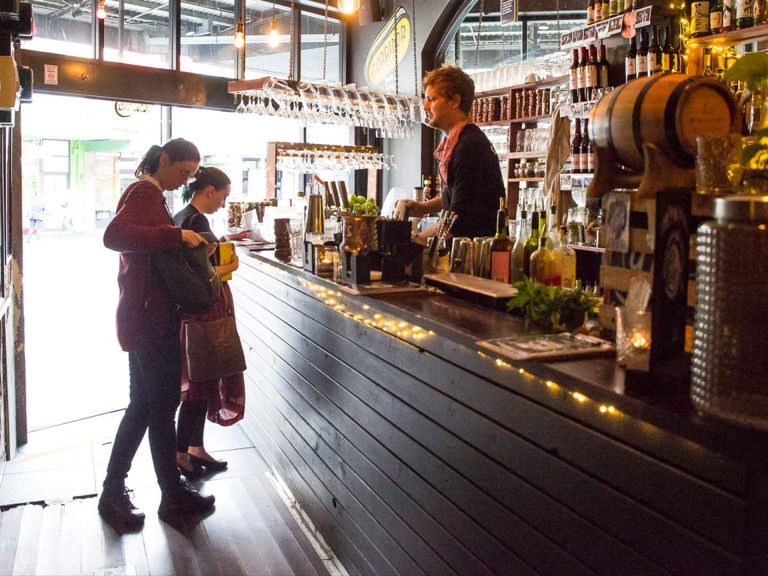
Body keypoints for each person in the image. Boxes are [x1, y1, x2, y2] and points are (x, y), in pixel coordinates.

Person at [98, 138, 216, 532]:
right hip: (148, 319)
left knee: (146, 407)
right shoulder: (144, 193)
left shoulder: (151, 195)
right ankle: (167, 495)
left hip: (143, 316)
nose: (184, 181)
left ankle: (123, 490)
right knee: (159, 407)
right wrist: (176, 236)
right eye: (182, 172)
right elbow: (113, 236)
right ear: (163, 160)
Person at [172, 166, 249, 479]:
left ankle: (194, 448)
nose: (223, 203)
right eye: (223, 196)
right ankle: (182, 454)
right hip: (204, 310)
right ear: (209, 191)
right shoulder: (196, 220)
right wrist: (232, 262)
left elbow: (199, 258)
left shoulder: (182, 217)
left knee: (200, 383)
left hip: (193, 311)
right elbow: (204, 272)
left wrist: (225, 241)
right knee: (200, 383)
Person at [397, 65, 505, 240]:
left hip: (473, 255)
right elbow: (459, 195)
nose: (425, 106)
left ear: (455, 101)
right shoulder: (462, 141)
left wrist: (413, 242)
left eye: (432, 99)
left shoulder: (469, 147)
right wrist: (423, 208)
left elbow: (457, 219)